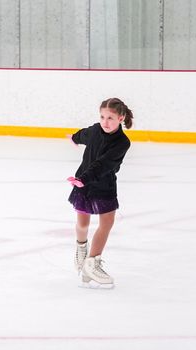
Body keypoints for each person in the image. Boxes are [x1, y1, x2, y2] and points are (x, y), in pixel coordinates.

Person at [67, 97, 133, 289]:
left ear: (121, 118)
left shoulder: (122, 142)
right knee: (83, 223)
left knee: (107, 222)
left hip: (102, 185)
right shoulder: (96, 129)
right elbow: (84, 134)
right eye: (102, 117)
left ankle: (92, 263)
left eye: (110, 118)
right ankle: (81, 248)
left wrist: (84, 178)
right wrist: (74, 137)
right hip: (84, 184)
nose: (105, 122)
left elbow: (104, 163)